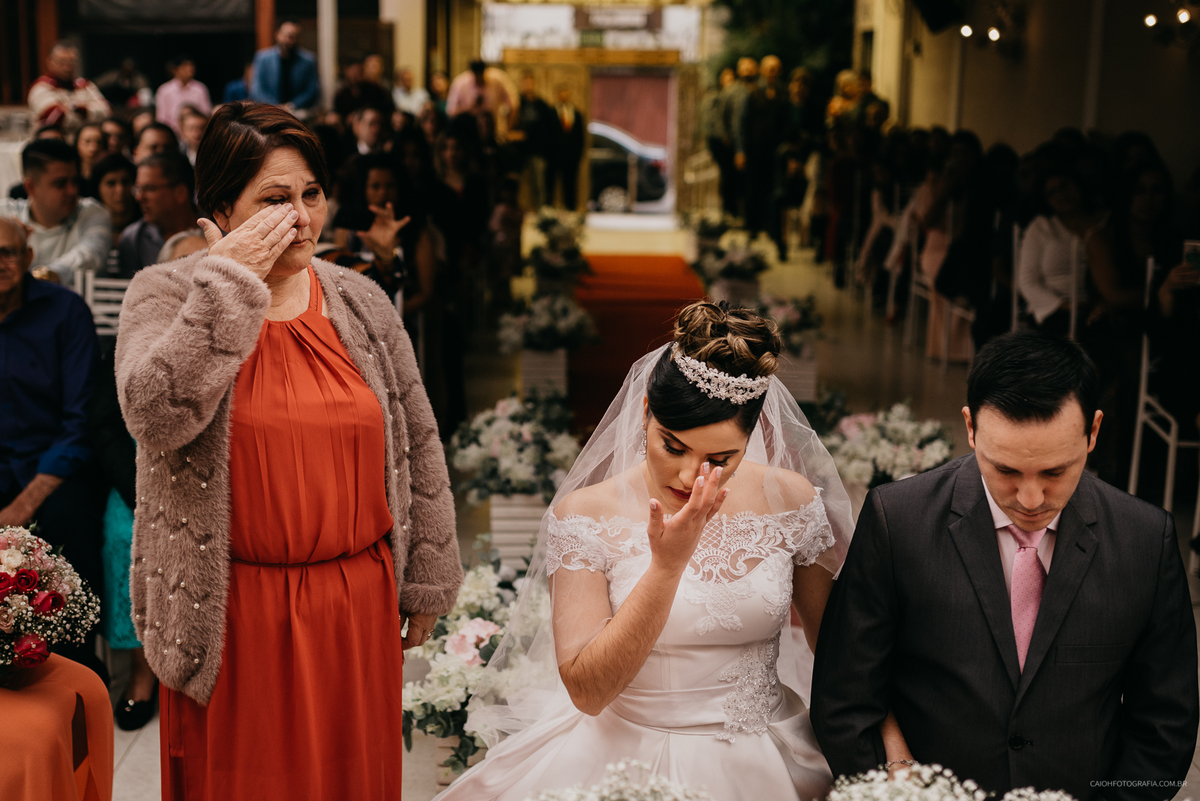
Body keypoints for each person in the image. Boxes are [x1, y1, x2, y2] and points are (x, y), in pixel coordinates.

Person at [114, 100, 462, 801]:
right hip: (233, 616)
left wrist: (427, 576)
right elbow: (153, 413)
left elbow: (419, 442)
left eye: (311, 194)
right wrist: (228, 283)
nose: (302, 217)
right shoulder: (165, 293)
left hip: (352, 611)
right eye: (275, 199)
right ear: (219, 207)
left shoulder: (360, 301)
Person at [438, 302, 857, 801]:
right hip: (618, 757)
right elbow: (589, 692)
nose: (690, 477)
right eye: (673, 446)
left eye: (720, 459)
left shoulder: (791, 500)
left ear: (753, 436)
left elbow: (843, 654)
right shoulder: (586, 515)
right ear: (644, 414)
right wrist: (666, 566)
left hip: (764, 756)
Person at [811, 330, 1198, 799]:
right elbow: (844, 698)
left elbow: (1164, 723)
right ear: (970, 428)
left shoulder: (1144, 540)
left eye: (1055, 472)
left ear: (1094, 432)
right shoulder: (898, 521)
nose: (1031, 499)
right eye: (1006, 470)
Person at [0, 215, 106, 679]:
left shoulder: (65, 311)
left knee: (66, 524)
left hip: (55, 467)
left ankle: (78, 673)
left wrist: (21, 507)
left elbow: (79, 422)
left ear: (26, 257)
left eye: (6, 252)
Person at [0, 139, 112, 286]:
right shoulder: (5, 214)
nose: (72, 191)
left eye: (75, 181)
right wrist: (14, 241)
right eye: (61, 184)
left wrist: (45, 276)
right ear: (30, 187)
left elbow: (90, 255)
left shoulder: (93, 213)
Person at [116, 152, 199, 277]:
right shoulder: (133, 240)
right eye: (138, 189)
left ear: (180, 193)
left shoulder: (220, 231)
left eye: (149, 189)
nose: (139, 197)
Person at [27, 43, 111, 137]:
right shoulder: (40, 87)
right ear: (49, 62)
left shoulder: (85, 85)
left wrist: (78, 109)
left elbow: (106, 112)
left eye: (71, 62)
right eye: (61, 62)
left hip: (82, 146)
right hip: (51, 145)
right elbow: (56, 118)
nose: (67, 68)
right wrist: (87, 112)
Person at [251, 20, 320, 117]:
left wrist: (292, 105)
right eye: (287, 36)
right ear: (278, 35)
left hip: (298, 111)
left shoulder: (308, 60)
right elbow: (257, 89)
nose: (290, 40)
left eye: (294, 37)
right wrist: (276, 106)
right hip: (269, 109)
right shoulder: (262, 58)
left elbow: (312, 91)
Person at [512, 72, 555, 210]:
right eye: (525, 83)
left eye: (530, 83)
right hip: (519, 151)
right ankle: (515, 210)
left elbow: (548, 128)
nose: (528, 86)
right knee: (515, 183)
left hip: (537, 151)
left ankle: (541, 211)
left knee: (539, 184)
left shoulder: (541, 105)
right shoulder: (517, 103)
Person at [446, 60, 520, 134]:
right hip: (468, 131)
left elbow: (513, 104)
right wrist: (471, 107)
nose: (478, 79)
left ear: (485, 71)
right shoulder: (460, 83)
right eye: (476, 76)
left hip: (494, 129)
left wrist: (509, 127)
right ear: (471, 73)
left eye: (480, 75)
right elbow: (451, 112)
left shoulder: (498, 79)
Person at [91, 153, 139, 248]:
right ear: (98, 188)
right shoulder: (89, 226)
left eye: (125, 182)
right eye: (111, 183)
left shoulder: (146, 224)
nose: (120, 190)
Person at [549, 85, 585, 211]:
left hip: (571, 156)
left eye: (566, 93)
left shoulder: (576, 113)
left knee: (570, 185)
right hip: (555, 155)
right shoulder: (552, 113)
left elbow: (580, 137)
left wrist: (578, 154)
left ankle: (571, 209)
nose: (564, 96)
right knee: (552, 184)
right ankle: (550, 210)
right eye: (561, 94)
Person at [155, 57, 212, 134]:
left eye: (191, 66)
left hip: (196, 132)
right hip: (173, 133)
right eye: (185, 66)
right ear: (175, 70)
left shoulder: (200, 88)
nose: (190, 69)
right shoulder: (164, 90)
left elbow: (206, 113)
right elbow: (161, 118)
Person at [75, 122, 106, 198]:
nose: (93, 148)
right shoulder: (72, 174)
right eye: (87, 142)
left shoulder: (108, 175)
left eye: (99, 142)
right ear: (77, 144)